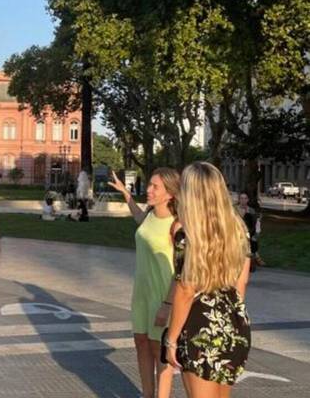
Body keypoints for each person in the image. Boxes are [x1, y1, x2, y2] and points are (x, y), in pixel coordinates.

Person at [164, 162, 252, 397]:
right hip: (234, 322)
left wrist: (171, 339)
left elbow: (186, 289)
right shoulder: (239, 229)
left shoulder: (187, 233)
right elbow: (241, 281)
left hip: (199, 326)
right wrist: (229, 318)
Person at [109, 168, 180, 398]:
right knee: (141, 342)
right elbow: (139, 220)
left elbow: (182, 269)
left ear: (170, 193)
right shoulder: (149, 215)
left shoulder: (177, 225)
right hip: (141, 291)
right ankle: (147, 394)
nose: (149, 190)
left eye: (155, 186)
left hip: (162, 295)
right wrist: (126, 194)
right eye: (149, 184)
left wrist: (167, 305)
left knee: (158, 349)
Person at [237, 192, 263, 269]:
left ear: (247, 200)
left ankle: (252, 259)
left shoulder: (251, 210)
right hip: (236, 231)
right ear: (239, 199)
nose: (243, 200)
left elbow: (255, 223)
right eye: (241, 198)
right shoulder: (234, 209)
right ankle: (257, 257)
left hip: (248, 231)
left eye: (245, 198)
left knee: (252, 240)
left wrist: (255, 233)